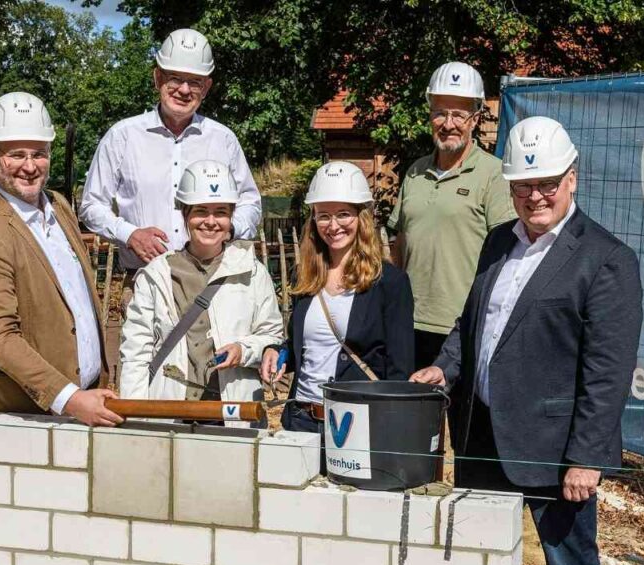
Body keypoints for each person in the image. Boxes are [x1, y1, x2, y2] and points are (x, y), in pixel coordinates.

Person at [411, 116, 643, 565]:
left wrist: (586, 458)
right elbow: (473, 323)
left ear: (571, 178)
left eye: (548, 183)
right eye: (522, 185)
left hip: (553, 453)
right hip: (481, 437)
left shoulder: (606, 260)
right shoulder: (499, 241)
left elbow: (608, 372)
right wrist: (445, 368)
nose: (535, 196)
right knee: (480, 558)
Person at [0, 92, 121, 427]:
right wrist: (69, 398)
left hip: (79, 405)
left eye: (39, 154)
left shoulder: (58, 207)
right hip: (16, 420)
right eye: (17, 155)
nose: (30, 167)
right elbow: (1, 340)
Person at [79, 28, 262, 307]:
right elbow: (91, 206)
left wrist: (230, 229)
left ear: (207, 87)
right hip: (144, 281)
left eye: (195, 81)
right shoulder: (122, 136)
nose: (185, 90)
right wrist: (130, 234)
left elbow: (251, 203)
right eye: (175, 78)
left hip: (214, 285)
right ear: (157, 78)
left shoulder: (223, 139)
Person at [119, 160, 282, 428]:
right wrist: (136, 416)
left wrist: (245, 350)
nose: (210, 221)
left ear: (231, 217)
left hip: (232, 412)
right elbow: (136, 351)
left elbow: (272, 336)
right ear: (185, 215)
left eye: (220, 212)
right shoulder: (157, 274)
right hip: (170, 409)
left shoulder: (252, 272)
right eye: (200, 211)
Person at [262, 161, 414, 434]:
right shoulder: (305, 277)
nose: (333, 226)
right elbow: (305, 348)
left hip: (357, 423)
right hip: (301, 418)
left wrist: (389, 429)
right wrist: (278, 352)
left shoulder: (390, 283)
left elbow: (399, 371)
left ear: (361, 218)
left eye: (343, 214)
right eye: (323, 215)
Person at [387, 62, 515, 369]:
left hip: (462, 328)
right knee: (411, 416)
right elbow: (399, 246)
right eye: (440, 112)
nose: (448, 123)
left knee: (461, 418)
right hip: (410, 324)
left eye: (458, 114)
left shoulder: (493, 175)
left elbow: (506, 257)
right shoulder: (415, 172)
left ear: (474, 118)